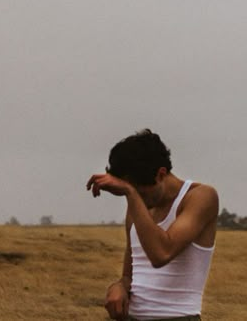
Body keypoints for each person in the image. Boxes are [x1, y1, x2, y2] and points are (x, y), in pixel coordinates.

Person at [87, 129, 219, 321]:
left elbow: (161, 253)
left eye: (139, 191)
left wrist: (131, 194)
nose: (137, 198)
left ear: (160, 174)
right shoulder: (138, 205)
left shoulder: (201, 197)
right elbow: (129, 275)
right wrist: (119, 286)